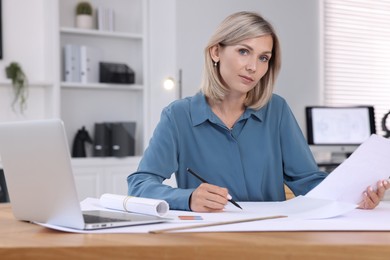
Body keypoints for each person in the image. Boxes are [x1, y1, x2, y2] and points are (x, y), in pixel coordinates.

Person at [127, 11, 389, 212]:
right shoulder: (179, 116)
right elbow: (140, 184)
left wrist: (354, 198)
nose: (253, 66)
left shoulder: (277, 110)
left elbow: (309, 182)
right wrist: (187, 198)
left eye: (263, 57)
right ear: (216, 51)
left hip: (271, 237)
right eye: (244, 51)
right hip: (207, 238)